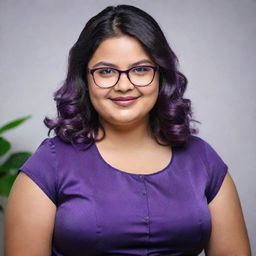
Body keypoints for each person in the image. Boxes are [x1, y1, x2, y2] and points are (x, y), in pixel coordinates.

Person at [4, 4, 251, 256]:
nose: (124, 85)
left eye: (141, 69)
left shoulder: (203, 160)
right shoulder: (48, 165)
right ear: (84, 78)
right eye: (106, 71)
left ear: (161, 76)